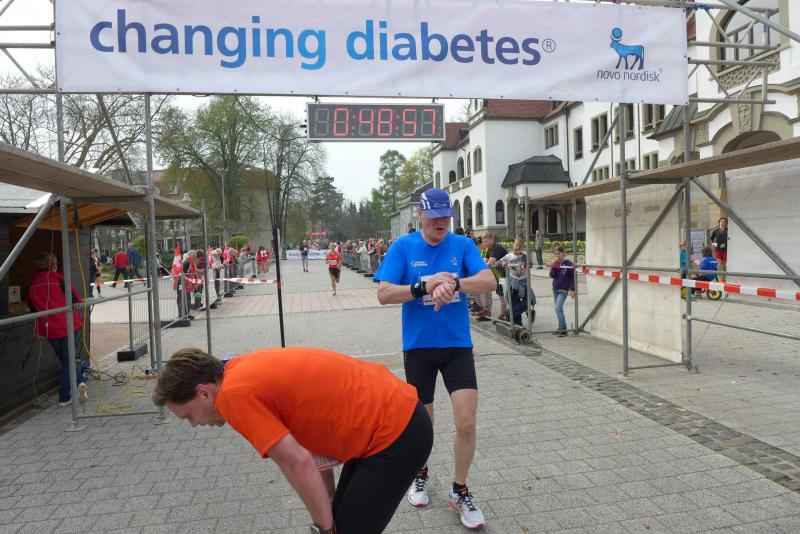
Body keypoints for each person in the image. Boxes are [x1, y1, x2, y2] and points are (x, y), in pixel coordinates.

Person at [153, 347, 432, 534]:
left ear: (203, 392)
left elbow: (298, 464)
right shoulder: (237, 370)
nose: (195, 424)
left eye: (188, 416)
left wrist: (325, 528)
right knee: (338, 518)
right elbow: (307, 444)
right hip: (395, 417)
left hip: (396, 431)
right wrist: (328, 509)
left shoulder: (231, 398)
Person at [375, 187, 496, 530]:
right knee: (423, 426)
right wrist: (423, 287)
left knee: (466, 422)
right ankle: (420, 473)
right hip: (419, 349)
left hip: (457, 347)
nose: (441, 222)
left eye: (446, 216)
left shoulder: (462, 245)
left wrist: (454, 284)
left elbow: (489, 281)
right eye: (435, 216)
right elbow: (383, 292)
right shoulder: (404, 247)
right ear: (421, 216)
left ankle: (460, 490)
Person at [27, 252, 89, 406]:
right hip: (69, 325)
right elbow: (77, 300)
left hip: (49, 329)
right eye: (56, 264)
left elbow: (32, 308)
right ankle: (64, 397)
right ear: (53, 265)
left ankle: (80, 382)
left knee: (66, 360)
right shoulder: (59, 278)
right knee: (68, 361)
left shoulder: (32, 283)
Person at [498, 238, 533, 326]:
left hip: (524, 282)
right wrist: (502, 263)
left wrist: (525, 261)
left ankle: (510, 313)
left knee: (528, 302)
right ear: (513, 245)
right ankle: (518, 325)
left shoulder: (524, 256)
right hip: (513, 283)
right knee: (514, 302)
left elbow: (530, 264)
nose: (518, 248)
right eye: (516, 245)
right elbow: (497, 263)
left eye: (520, 246)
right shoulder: (509, 256)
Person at [549, 245, 575, 337]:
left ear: (563, 253)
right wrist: (553, 266)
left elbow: (572, 277)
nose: (557, 256)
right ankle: (561, 327)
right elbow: (551, 275)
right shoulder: (555, 263)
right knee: (557, 309)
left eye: (559, 253)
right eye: (555, 254)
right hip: (555, 288)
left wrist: (572, 289)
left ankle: (564, 329)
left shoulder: (568, 263)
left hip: (563, 289)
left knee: (558, 308)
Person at [481, 233, 508, 321]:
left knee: (502, 295)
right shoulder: (489, 248)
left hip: (502, 276)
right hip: (496, 274)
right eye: (483, 242)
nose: (484, 244)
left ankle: (503, 315)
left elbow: (489, 263)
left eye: (486, 241)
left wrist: (487, 263)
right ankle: (487, 310)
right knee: (484, 289)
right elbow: (484, 261)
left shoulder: (496, 247)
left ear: (492, 240)